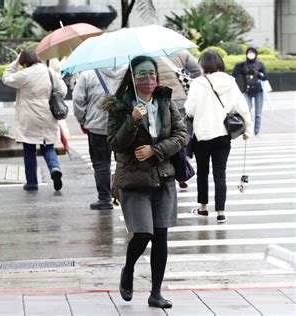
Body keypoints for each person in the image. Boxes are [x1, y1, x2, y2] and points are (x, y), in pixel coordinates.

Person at [100, 56, 187, 308]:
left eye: (152, 74)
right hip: (134, 180)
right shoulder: (119, 106)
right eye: (142, 75)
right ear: (132, 77)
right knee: (143, 232)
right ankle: (128, 269)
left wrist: (155, 150)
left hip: (163, 177)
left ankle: (155, 292)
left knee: (160, 235)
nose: (148, 80)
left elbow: (182, 135)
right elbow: (115, 144)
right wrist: (133, 120)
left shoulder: (165, 101)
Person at [185, 51, 253, 223]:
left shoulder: (198, 83)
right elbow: (241, 106)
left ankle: (203, 208)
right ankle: (221, 212)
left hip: (202, 135)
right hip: (223, 135)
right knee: (220, 174)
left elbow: (189, 110)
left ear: (204, 66)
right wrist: (248, 129)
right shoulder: (230, 82)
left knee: (202, 173)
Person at [2, 49, 67, 191]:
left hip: (29, 117)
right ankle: (54, 168)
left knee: (29, 149)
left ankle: (32, 182)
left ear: (24, 61)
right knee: (48, 146)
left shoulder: (24, 75)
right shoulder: (50, 72)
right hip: (48, 114)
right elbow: (63, 90)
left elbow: (6, 77)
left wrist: (15, 62)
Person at [72, 66, 126, 210]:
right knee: (125, 161)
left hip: (97, 126)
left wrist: (83, 120)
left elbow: (78, 99)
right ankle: (127, 195)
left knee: (101, 164)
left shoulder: (88, 74)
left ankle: (104, 199)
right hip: (123, 126)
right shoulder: (128, 71)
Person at [155, 50, 201, 189]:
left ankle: (169, 170)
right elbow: (197, 71)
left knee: (164, 137)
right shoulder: (182, 53)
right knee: (180, 138)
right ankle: (182, 171)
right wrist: (186, 80)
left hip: (160, 100)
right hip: (181, 100)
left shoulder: (150, 55)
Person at [232, 47, 267, 135]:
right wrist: (237, 66)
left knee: (258, 113)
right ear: (246, 54)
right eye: (249, 52)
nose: (251, 54)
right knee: (247, 110)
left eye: (253, 52)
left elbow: (265, 77)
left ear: (255, 54)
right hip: (247, 91)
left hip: (259, 91)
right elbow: (234, 75)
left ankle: (256, 131)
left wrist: (258, 74)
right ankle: (249, 130)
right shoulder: (243, 65)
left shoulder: (260, 64)